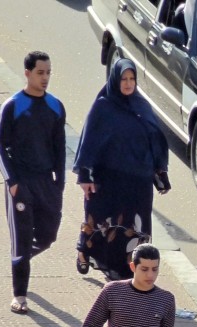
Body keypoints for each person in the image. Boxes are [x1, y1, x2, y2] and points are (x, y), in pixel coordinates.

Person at [73, 59, 170, 282]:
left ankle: (130, 271)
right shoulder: (103, 107)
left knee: (135, 226)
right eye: (124, 79)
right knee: (100, 221)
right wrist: (86, 175)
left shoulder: (141, 106)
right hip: (108, 179)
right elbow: (89, 142)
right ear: (115, 80)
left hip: (138, 181)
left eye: (132, 79)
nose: (128, 84)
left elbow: (154, 140)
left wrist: (160, 174)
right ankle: (84, 250)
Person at [0, 51, 66, 315]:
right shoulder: (13, 106)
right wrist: (12, 182)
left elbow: (60, 149)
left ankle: (21, 261)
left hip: (47, 184)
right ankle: (20, 295)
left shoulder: (56, 106)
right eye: (40, 73)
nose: (45, 78)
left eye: (48, 72)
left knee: (48, 237)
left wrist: (60, 185)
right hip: (20, 183)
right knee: (21, 240)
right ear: (27, 73)